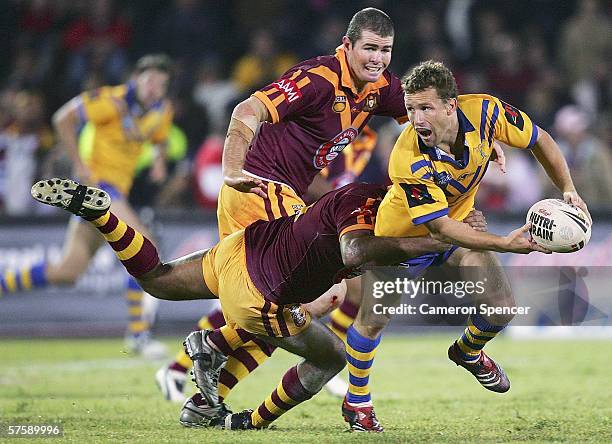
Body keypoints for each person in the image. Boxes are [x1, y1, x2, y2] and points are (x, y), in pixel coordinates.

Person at [31, 177, 499, 430]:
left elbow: (412, 230)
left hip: (243, 246)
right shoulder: (368, 219)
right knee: (331, 355)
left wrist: (457, 228)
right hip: (260, 292)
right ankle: (245, 419)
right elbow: (362, 251)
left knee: (159, 278)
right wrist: (474, 241)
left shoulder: (372, 195)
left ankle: (104, 217)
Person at [155, 6, 409, 409]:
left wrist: (476, 137)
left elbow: (425, 109)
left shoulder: (379, 89)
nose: (377, 58)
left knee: (278, 315)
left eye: (386, 50)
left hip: (278, 196)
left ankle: (206, 400)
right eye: (369, 48)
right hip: (261, 187)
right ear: (347, 45)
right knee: (326, 293)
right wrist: (231, 167)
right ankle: (210, 343)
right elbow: (247, 110)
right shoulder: (317, 78)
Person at [344, 60, 590, 431]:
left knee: (502, 307)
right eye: (410, 109)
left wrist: (568, 189)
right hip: (402, 239)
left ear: (450, 106)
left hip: (459, 226)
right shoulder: (407, 157)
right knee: (375, 318)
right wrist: (505, 244)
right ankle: (356, 401)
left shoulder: (488, 112)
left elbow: (541, 140)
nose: (416, 118)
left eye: (425, 107)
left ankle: (467, 351)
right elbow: (441, 229)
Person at [0, 54, 174, 357]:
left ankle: (3, 284)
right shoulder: (111, 100)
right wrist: (78, 164)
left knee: (67, 272)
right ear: (136, 78)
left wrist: (159, 160)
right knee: (144, 245)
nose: (154, 88)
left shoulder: (162, 110)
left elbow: (161, 138)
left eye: (161, 83)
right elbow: (62, 119)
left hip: (116, 192)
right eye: (149, 80)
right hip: (99, 188)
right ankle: (138, 336)